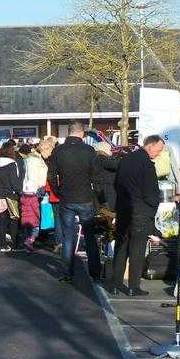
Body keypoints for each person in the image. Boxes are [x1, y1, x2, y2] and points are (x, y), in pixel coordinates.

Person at [110, 135, 166, 296]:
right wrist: (152, 208)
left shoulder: (126, 160)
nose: (159, 153)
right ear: (150, 145)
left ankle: (115, 284)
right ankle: (134, 286)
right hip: (140, 212)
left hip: (124, 209)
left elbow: (117, 184)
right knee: (137, 250)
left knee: (121, 248)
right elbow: (151, 193)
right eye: (159, 149)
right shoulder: (147, 165)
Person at [47, 121, 100, 283]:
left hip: (66, 198)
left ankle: (67, 273)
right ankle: (95, 273)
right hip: (85, 198)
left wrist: (58, 192)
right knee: (90, 237)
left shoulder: (58, 151)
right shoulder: (89, 151)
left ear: (69, 132)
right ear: (82, 133)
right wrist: (96, 196)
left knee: (68, 237)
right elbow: (96, 177)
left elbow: (51, 176)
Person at [20, 139, 52, 251]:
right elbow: (37, 178)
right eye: (50, 151)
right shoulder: (37, 160)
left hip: (25, 191)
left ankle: (28, 240)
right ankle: (30, 240)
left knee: (27, 216)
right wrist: (41, 188)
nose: (50, 154)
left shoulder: (29, 158)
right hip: (36, 191)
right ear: (46, 149)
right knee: (35, 218)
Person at [94, 141, 121, 210]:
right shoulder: (101, 158)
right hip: (107, 191)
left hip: (103, 190)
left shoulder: (97, 159)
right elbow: (114, 165)